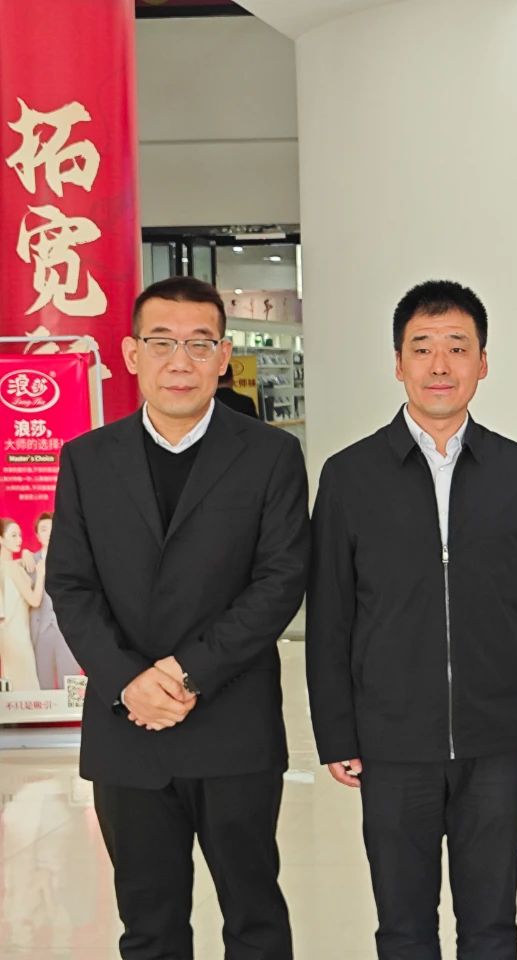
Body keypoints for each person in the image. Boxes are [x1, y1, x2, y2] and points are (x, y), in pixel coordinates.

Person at [46, 275, 309, 960]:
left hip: (234, 727)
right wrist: (129, 682)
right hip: (127, 731)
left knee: (255, 920)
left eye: (199, 344)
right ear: (132, 353)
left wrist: (188, 672)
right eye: (162, 343)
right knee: (149, 927)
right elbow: (70, 585)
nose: (180, 361)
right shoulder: (87, 459)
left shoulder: (270, 455)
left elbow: (280, 580)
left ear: (223, 357)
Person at [307, 279, 517, 960]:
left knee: (491, 927)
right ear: (398, 363)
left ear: (484, 362)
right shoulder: (350, 475)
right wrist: (336, 731)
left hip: (496, 739)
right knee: (402, 928)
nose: (440, 365)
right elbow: (329, 616)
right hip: (391, 743)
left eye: (458, 347)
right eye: (422, 348)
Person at [28, 513, 81, 690]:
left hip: (68, 631)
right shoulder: (29, 562)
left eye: (52, 528)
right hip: (41, 632)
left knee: (71, 683)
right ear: (37, 535)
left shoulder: (72, 560)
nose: (49, 533)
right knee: (44, 684)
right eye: (44, 529)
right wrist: (25, 554)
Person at [0, 517, 42, 691]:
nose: (19, 539)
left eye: (20, 535)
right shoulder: (12, 568)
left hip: (8, 634)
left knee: (13, 684)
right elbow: (34, 600)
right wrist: (41, 574)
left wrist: (25, 552)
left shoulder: (8, 566)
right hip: (17, 635)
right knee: (26, 684)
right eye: (13, 535)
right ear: (1, 539)